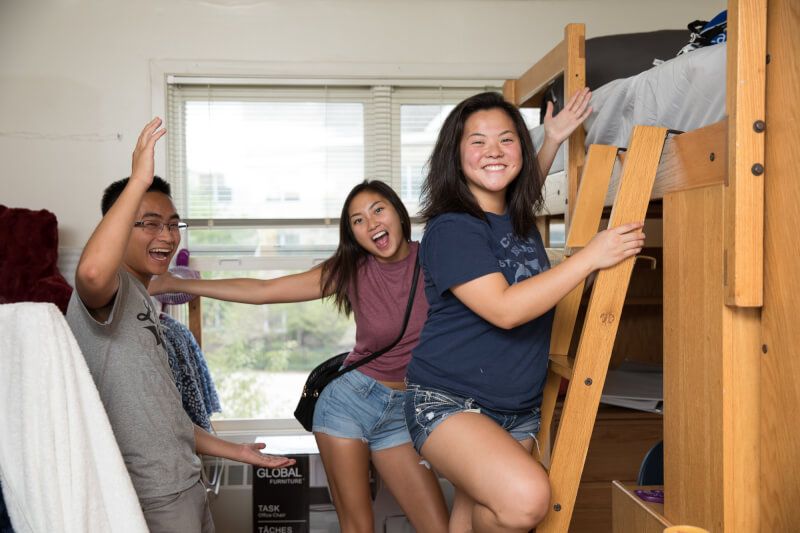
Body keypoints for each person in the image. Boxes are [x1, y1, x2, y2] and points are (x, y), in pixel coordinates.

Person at [403, 90, 646, 533]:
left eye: (507, 140)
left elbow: (516, 182)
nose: (493, 152)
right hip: (449, 402)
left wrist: (550, 140)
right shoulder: (452, 229)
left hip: (518, 409)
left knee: (479, 513)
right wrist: (588, 258)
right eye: (477, 142)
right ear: (455, 158)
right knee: (525, 501)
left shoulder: (516, 218)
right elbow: (505, 310)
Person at [149, 180, 450, 532]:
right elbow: (265, 291)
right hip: (349, 403)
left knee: (438, 527)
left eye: (378, 210)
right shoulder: (350, 269)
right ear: (353, 234)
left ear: (398, 213)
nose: (371, 224)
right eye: (357, 220)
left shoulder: (435, 257)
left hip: (403, 408)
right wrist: (176, 282)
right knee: (358, 526)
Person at [66, 117, 294, 533]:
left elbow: (164, 416)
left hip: (184, 483)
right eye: (150, 222)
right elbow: (94, 274)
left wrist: (236, 452)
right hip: (148, 494)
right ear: (116, 228)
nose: (168, 236)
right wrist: (138, 179)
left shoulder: (144, 299)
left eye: (173, 224)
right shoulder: (103, 296)